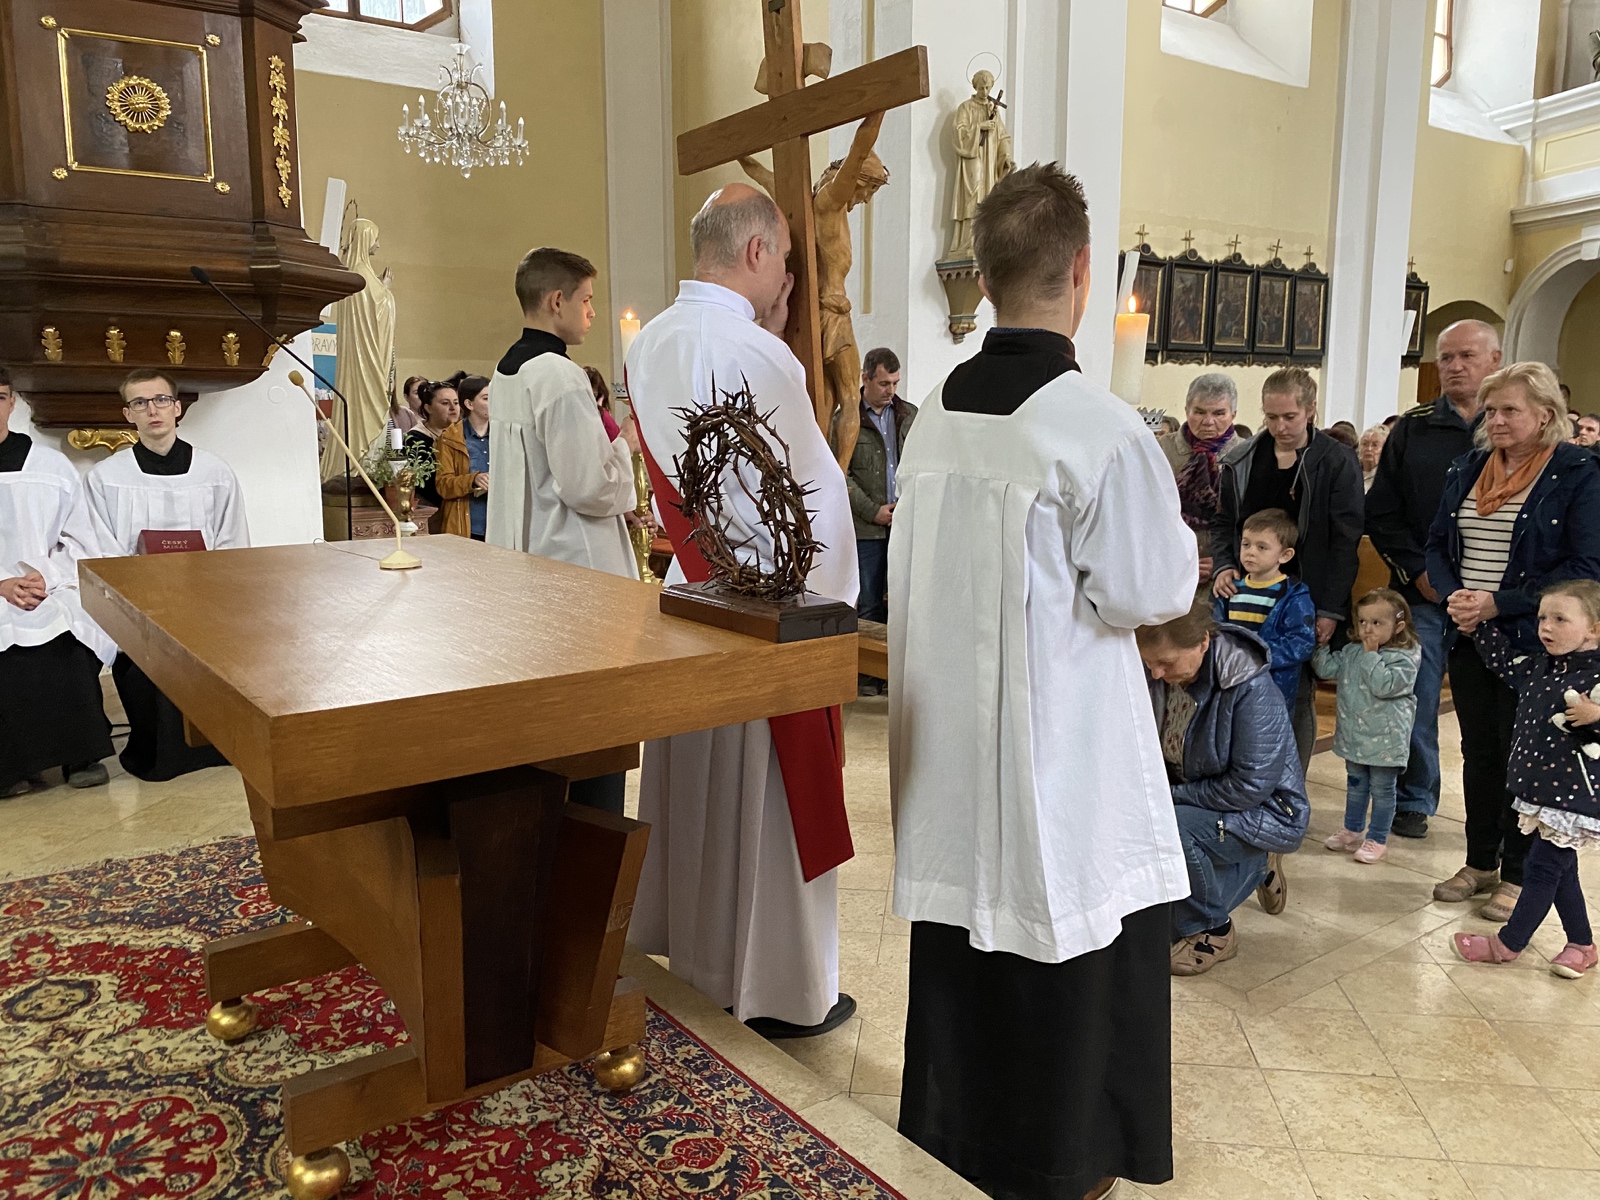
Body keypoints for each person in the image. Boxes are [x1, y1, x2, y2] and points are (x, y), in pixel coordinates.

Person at [890, 163, 1197, 1200]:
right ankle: (1061, 1160)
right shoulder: (1095, 427)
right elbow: (1144, 592)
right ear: (1080, 269)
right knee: (1068, 934)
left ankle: (957, 1140)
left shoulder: (934, 415)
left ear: (982, 277)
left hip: (950, 754)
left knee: (969, 949)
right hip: (1062, 753)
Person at [626, 184, 859, 1038]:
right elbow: (813, 508)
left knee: (699, 794)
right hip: (772, 621)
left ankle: (700, 958)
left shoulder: (648, 343)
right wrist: (836, 606)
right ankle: (783, 988)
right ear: (758, 251)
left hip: (694, 603)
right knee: (766, 814)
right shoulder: (763, 357)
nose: (788, 276)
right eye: (786, 259)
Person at [1427, 361, 1600, 921]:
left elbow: (1585, 564)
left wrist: (1500, 602)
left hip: (1535, 637)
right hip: (1471, 632)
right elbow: (1438, 543)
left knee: (1526, 756)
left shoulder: (1577, 472)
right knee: (1478, 752)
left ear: (1545, 415)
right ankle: (1480, 861)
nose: (1495, 420)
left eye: (1509, 410)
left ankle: (1520, 876)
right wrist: (1456, 597)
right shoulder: (1469, 466)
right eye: (1491, 410)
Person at [1366, 319, 1503, 839]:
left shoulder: (1508, 426)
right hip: (1423, 592)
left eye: (1467, 356)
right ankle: (1415, 797)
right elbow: (1383, 512)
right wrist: (1418, 571)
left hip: (1491, 597)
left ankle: (1499, 814)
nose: (1454, 366)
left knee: (1489, 711)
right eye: (1446, 357)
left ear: (1495, 360)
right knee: (1417, 698)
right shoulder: (1414, 428)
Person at [85, 369, 246, 781]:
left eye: (160, 400)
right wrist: (140, 590)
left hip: (205, 596)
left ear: (177, 408)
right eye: (140, 403)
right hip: (140, 600)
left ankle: (218, 745)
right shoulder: (107, 477)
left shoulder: (214, 471)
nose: (152, 410)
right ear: (128, 414)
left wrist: (212, 590)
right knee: (141, 652)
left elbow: (232, 540)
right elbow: (101, 546)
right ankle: (156, 753)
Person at [1138, 599, 1308, 976]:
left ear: (1203, 641)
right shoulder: (1163, 678)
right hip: (1198, 800)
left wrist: (1168, 799)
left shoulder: (1252, 688)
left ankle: (1215, 929)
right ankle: (1252, 867)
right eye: (1149, 663)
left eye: (1165, 662)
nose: (1156, 672)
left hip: (1262, 813)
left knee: (1174, 831)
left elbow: (1249, 787)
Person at [1211, 368, 1364, 770]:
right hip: (1249, 589)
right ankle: (1245, 777)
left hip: (1304, 594)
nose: (1280, 427)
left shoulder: (1336, 460)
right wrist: (1225, 564)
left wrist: (1330, 609)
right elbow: (1225, 523)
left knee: (1295, 693)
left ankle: (1290, 784)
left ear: (1310, 410)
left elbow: (1344, 541)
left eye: (1290, 417)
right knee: (1238, 687)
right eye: (1271, 417)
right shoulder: (1242, 459)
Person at [1453, 581, 1600, 979]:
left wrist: (1597, 716)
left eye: (1559, 619)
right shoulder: (1540, 668)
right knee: (1561, 869)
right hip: (1541, 791)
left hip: (1577, 798)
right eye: (1542, 618)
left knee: (1541, 869)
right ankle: (1582, 944)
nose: (1546, 627)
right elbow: (1502, 660)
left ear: (1594, 629)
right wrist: (1476, 625)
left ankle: (1507, 944)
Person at [488, 248, 637, 587]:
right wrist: (626, 444)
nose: (592, 312)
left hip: (527, 553)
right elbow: (590, 487)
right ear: (557, 301)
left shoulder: (504, 371)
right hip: (573, 561)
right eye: (585, 300)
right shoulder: (560, 375)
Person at [0, 369, 115, 796]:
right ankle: (11, 766)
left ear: (13, 402)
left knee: (67, 628)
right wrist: (2, 584)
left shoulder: (50, 465)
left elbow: (82, 539)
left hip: (47, 585)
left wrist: (42, 576)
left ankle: (80, 756)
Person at [1313, 589, 1421, 864]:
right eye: (1362, 621)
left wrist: (1371, 655)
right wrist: (1320, 646)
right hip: (1355, 737)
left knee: (1383, 790)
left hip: (1386, 740)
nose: (1367, 629)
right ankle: (1352, 829)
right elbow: (1326, 670)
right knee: (1355, 784)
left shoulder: (1405, 657)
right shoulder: (1352, 651)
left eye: (1376, 623)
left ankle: (1377, 838)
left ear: (1398, 626)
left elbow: (1384, 685)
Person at [1211, 508, 1315, 709]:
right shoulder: (1229, 590)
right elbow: (1215, 632)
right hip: (1230, 682)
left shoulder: (1294, 595)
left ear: (1285, 555)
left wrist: (1257, 656)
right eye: (1246, 544)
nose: (1251, 552)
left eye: (1262, 547)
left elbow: (1301, 643)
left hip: (1273, 688)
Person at [844, 346, 914, 640]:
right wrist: (873, 511)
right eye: (884, 383)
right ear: (866, 378)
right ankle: (868, 666)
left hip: (904, 524)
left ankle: (895, 663)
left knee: (902, 602)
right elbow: (841, 474)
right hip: (866, 529)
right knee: (869, 603)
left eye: (895, 383)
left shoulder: (909, 415)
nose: (891, 390)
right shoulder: (846, 418)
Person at [1159, 373, 1242, 588]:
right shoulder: (1160, 450)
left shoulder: (1247, 454)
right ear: (1187, 409)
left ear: (1233, 414)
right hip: (1166, 567)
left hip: (1227, 574)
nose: (1208, 421)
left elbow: (1254, 520)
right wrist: (1177, 561)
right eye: (1199, 412)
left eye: (1219, 413)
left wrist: (1224, 561)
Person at [404, 380, 459, 515]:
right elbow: (427, 486)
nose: (453, 408)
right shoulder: (415, 439)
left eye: (456, 402)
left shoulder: (463, 434)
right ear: (428, 408)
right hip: (433, 508)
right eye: (445, 403)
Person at [457, 375, 490, 541]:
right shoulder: (452, 437)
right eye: (486, 398)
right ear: (469, 404)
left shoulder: (505, 434)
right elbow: (443, 483)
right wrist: (474, 479)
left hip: (502, 520)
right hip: (470, 520)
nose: (493, 402)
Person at [1358, 424, 1388, 491]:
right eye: (1365, 444)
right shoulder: (1351, 472)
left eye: (1375, 445)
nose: (1369, 449)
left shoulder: (1387, 476)